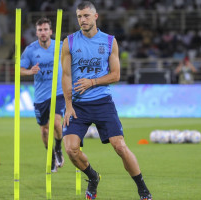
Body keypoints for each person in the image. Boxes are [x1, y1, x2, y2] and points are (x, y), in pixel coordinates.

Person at [61, 2, 152, 200]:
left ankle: (142, 188)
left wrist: (92, 82)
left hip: (102, 102)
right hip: (77, 105)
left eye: (86, 15)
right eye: (79, 16)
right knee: (71, 149)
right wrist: (68, 106)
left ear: (95, 17)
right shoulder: (69, 42)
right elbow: (66, 76)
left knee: (119, 146)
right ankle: (93, 177)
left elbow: (116, 75)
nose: (82, 20)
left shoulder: (110, 41)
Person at [20, 17, 65, 173]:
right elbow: (19, 69)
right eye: (40, 30)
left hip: (58, 92)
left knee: (56, 122)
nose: (43, 32)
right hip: (40, 96)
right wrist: (29, 71)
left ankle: (59, 148)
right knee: (45, 130)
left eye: (46, 29)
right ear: (36, 32)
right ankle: (51, 155)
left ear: (50, 31)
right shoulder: (30, 50)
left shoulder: (60, 45)